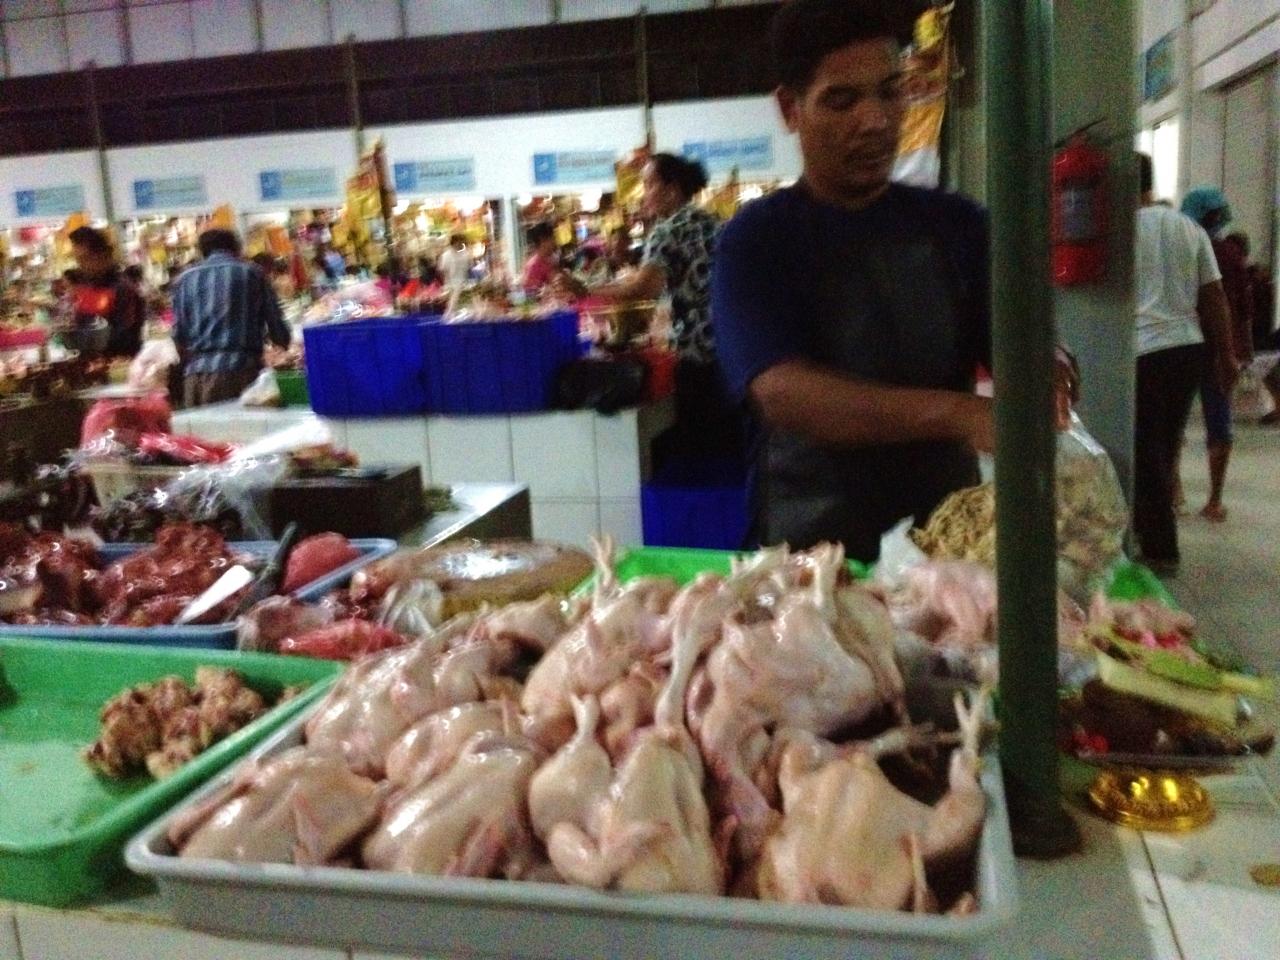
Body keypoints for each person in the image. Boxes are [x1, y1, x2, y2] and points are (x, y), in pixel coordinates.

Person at [710, 0, 994, 562]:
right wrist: (959, 413)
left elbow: (1013, 345)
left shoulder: (959, 225)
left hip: (946, 550)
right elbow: (784, 393)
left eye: (890, 92)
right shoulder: (755, 240)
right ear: (790, 109)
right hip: (807, 556)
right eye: (842, 100)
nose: (876, 120)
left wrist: (1048, 364)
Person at [1133, 157, 1237, 573]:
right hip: (1186, 351)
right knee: (1164, 444)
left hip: (1142, 351)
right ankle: (1153, 538)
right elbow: (1214, 297)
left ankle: (1160, 549)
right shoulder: (1189, 228)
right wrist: (1226, 356)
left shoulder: (1121, 230)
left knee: (1145, 451)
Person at [1179, 188, 1252, 522]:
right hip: (1219, 350)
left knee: (1174, 423)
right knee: (1219, 422)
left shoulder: (1186, 248)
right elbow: (1242, 309)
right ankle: (1214, 500)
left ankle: (1175, 492)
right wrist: (1240, 351)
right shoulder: (1231, 255)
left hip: (1183, 345)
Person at [171, 229, 291, 408]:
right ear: (236, 248)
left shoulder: (184, 279)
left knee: (201, 426)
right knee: (239, 426)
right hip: (240, 373)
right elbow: (277, 326)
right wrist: (282, 346)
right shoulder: (251, 273)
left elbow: (179, 335)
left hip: (195, 377)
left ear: (202, 251)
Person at [67, 226, 145, 357]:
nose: (81, 265)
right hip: (90, 363)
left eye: (85, 258)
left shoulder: (124, 289)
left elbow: (126, 337)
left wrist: (85, 339)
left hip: (119, 365)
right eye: (78, 260)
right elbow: (80, 324)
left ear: (103, 255)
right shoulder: (86, 287)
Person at [522, 222, 561, 296]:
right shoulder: (534, 265)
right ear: (543, 240)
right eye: (553, 238)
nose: (556, 242)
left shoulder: (550, 261)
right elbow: (530, 294)